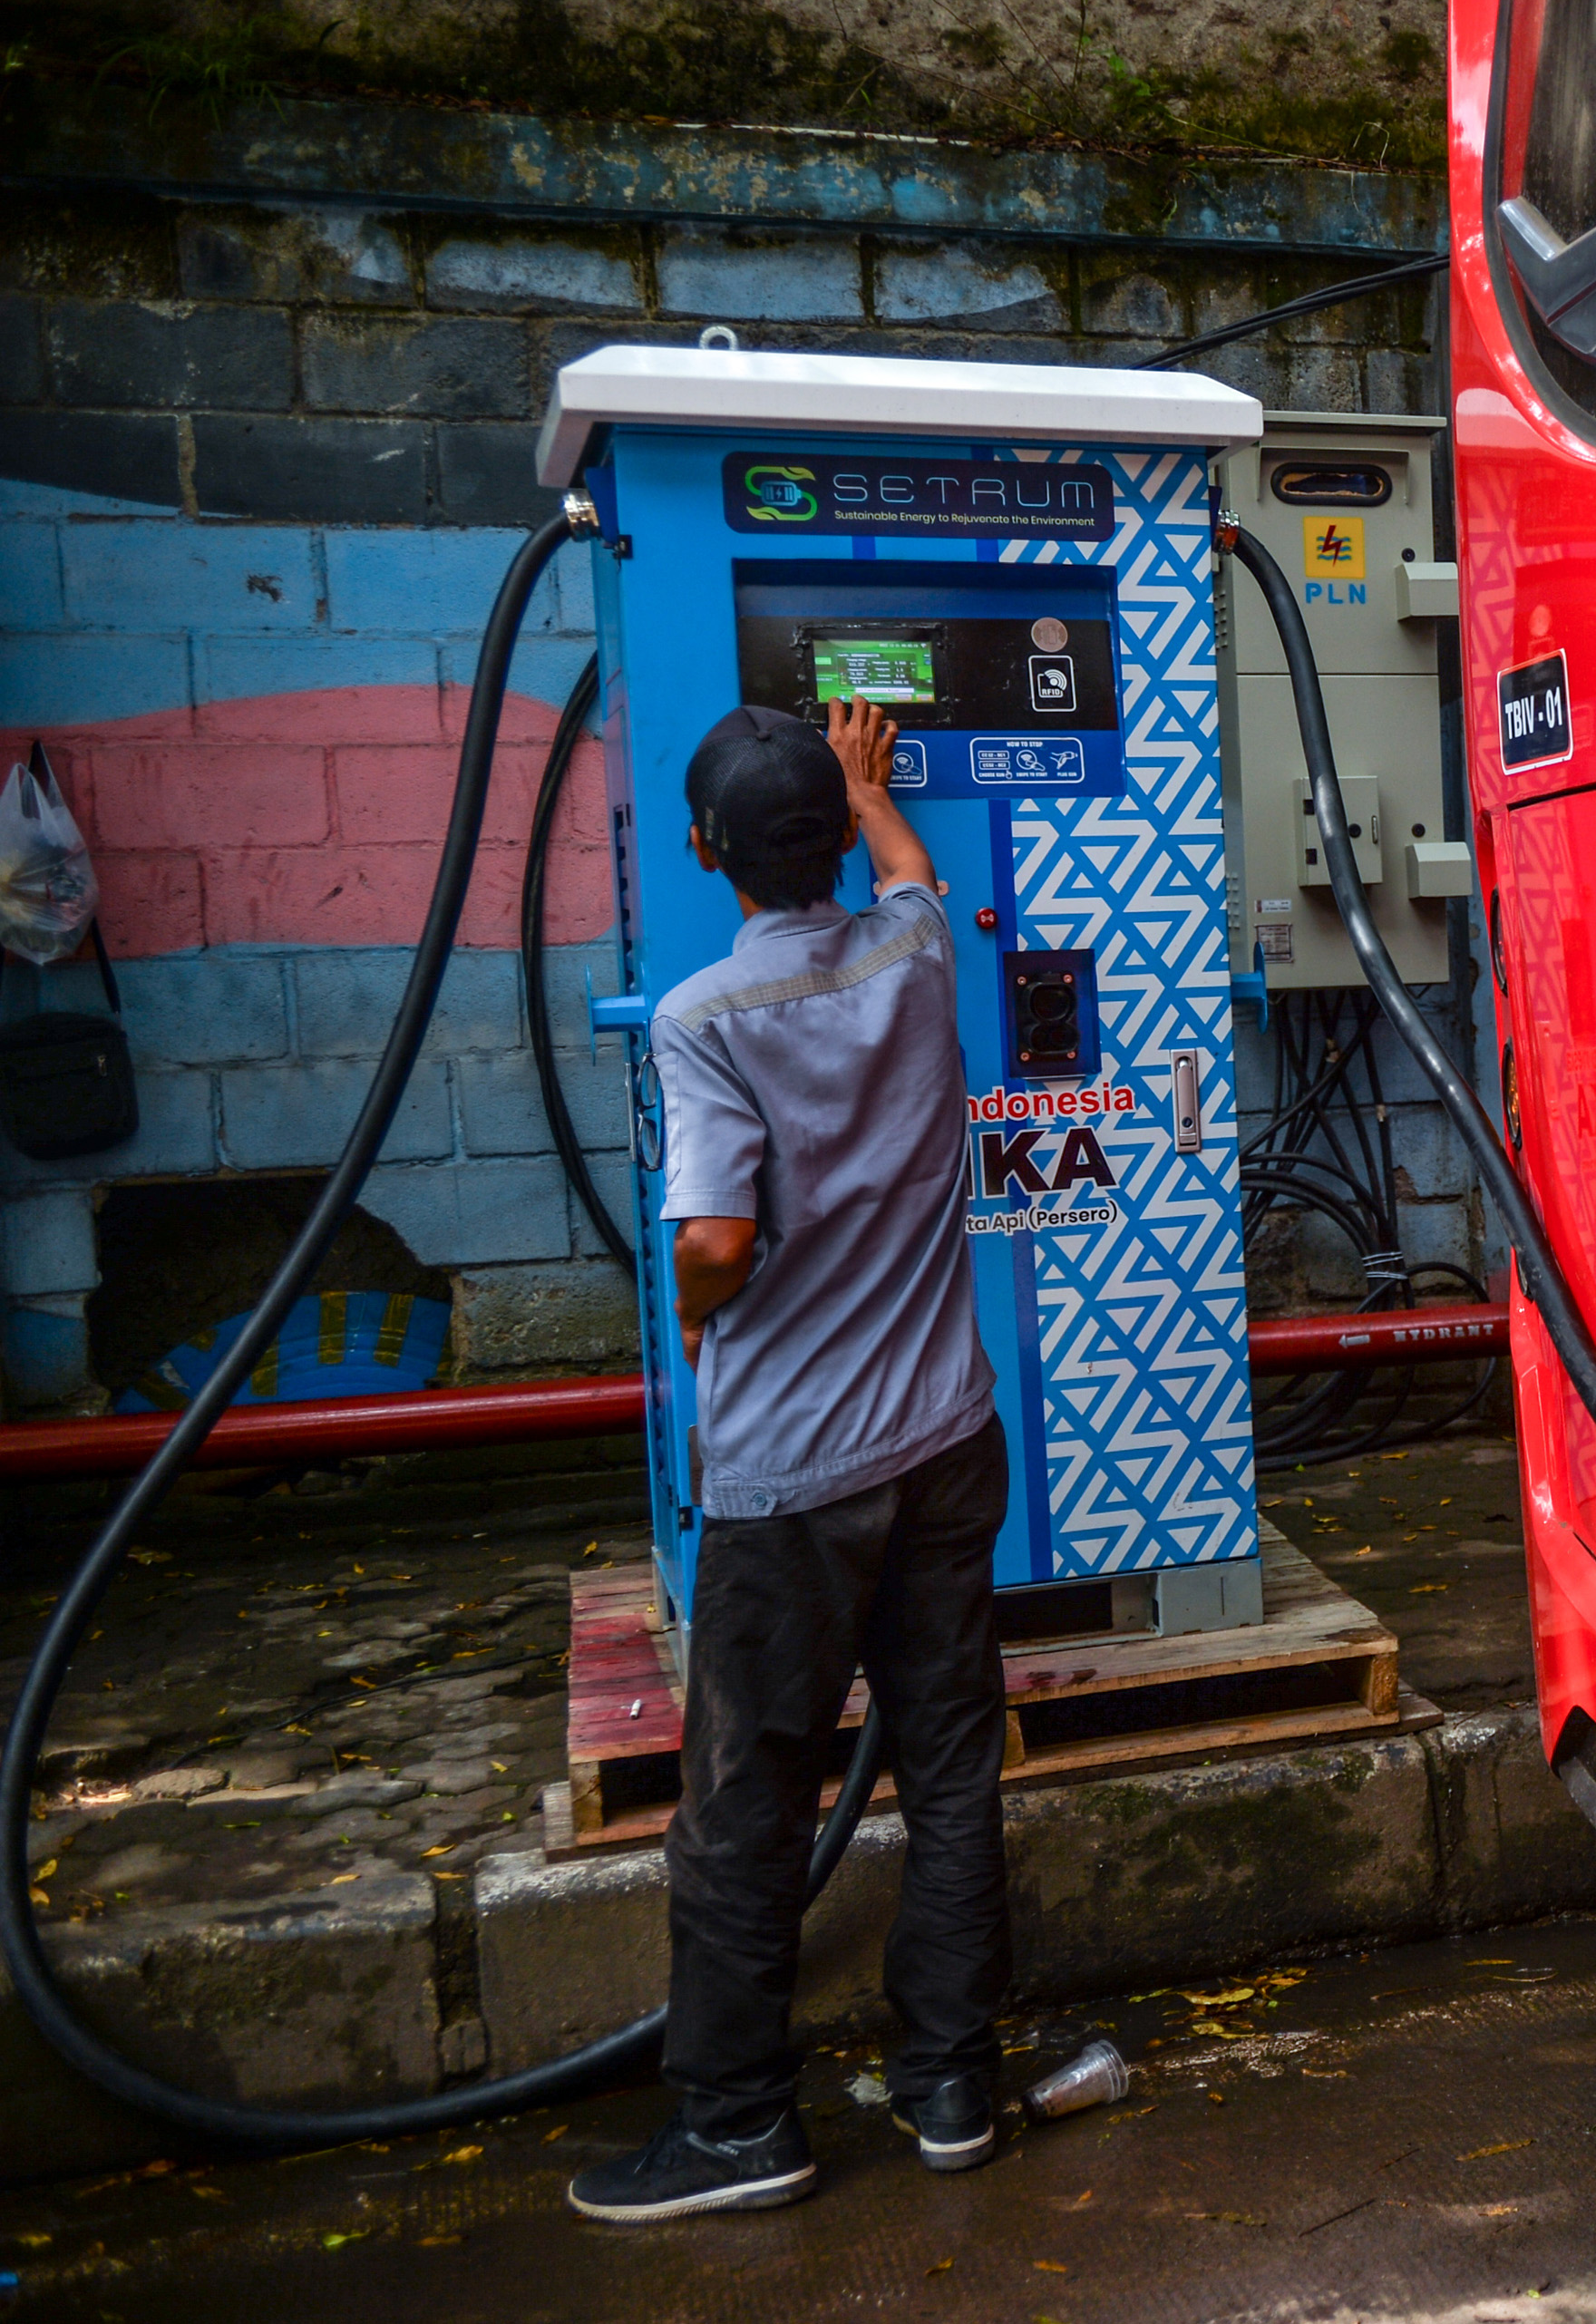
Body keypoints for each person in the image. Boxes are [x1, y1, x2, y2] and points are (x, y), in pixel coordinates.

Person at [569, 699, 1011, 2222]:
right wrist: (873, 786)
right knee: (950, 1767)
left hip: (792, 1483)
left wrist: (698, 1310)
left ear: (705, 852)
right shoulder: (915, 954)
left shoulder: (700, 1016)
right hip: (947, 1441)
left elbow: (714, 1234)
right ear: (831, 837)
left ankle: (741, 2123)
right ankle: (951, 2084)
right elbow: (915, 881)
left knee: (747, 1804)